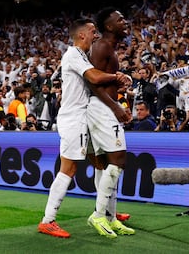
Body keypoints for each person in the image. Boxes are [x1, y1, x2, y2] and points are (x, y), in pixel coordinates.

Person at [37, 17, 129, 239]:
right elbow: (94, 77)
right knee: (68, 169)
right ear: (81, 35)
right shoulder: (72, 55)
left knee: (101, 163)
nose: (96, 35)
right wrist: (117, 77)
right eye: (92, 31)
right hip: (73, 119)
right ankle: (48, 220)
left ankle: (108, 213)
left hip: (86, 117)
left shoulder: (82, 55)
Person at [86, 7, 135, 239]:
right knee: (118, 160)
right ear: (108, 26)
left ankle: (110, 218)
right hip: (101, 109)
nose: (125, 22)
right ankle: (98, 215)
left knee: (104, 164)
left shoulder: (108, 48)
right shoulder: (102, 45)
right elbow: (92, 82)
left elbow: (103, 81)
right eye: (120, 19)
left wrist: (119, 85)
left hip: (102, 108)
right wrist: (116, 107)